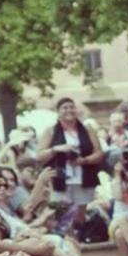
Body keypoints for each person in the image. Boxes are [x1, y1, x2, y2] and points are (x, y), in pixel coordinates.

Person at [37, 97, 105, 232]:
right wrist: (56, 149)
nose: (69, 110)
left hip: (83, 177)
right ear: (58, 112)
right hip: (60, 178)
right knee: (60, 214)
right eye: (65, 108)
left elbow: (99, 153)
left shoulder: (87, 129)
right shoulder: (50, 131)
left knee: (79, 215)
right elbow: (39, 156)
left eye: (71, 107)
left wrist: (84, 160)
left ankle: (78, 239)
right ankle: (65, 240)